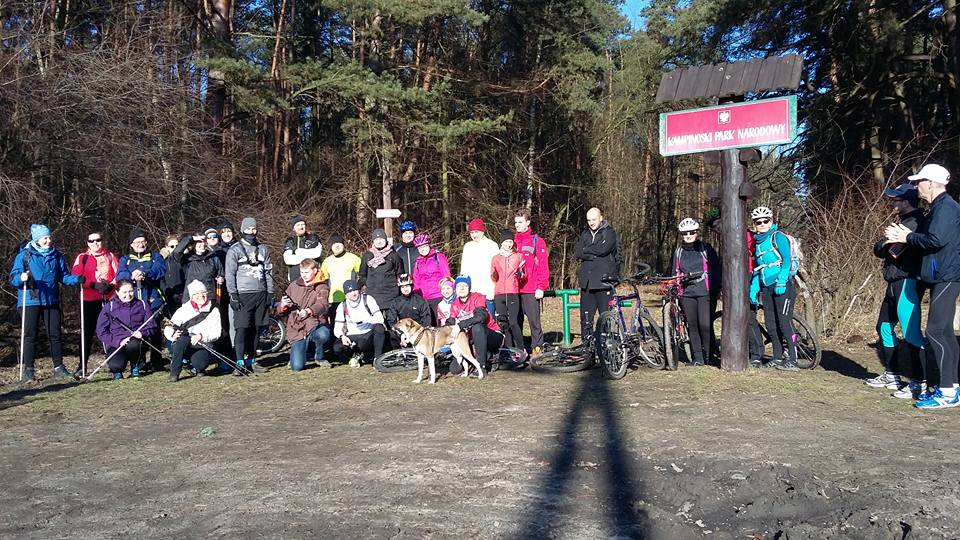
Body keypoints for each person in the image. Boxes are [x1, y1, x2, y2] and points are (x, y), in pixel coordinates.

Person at [885, 164, 960, 409]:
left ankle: (947, 392)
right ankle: (951, 387)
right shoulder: (938, 207)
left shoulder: (946, 207)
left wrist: (905, 237)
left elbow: (936, 240)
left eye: (919, 182)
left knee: (936, 331)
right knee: (944, 332)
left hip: (947, 276)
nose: (916, 186)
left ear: (931, 183)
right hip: (942, 276)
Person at [867, 184, 926, 396]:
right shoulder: (903, 223)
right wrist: (884, 244)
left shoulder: (916, 222)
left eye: (896, 200)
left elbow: (892, 251)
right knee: (883, 327)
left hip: (907, 282)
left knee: (911, 333)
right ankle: (892, 375)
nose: (892, 203)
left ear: (906, 202)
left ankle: (919, 382)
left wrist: (885, 244)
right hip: (893, 283)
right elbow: (879, 248)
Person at [9, 224, 84, 381]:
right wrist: (21, 277)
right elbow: (13, 278)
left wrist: (76, 279)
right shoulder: (24, 256)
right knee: (30, 335)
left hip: (51, 299)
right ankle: (28, 371)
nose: (48, 241)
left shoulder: (56, 255)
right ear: (37, 239)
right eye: (45, 238)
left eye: (49, 237)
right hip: (30, 300)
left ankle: (59, 368)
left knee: (55, 334)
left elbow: (63, 276)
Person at [749, 206, 799, 371]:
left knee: (784, 322)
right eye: (759, 222)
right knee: (771, 324)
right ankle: (777, 357)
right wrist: (754, 289)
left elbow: (786, 260)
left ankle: (793, 358)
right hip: (767, 288)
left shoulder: (778, 237)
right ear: (754, 224)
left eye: (766, 221)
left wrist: (782, 280)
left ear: (771, 221)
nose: (762, 224)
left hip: (782, 286)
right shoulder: (757, 243)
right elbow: (759, 267)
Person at [225, 216, 274, 374]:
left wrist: (270, 292)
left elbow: (269, 273)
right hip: (243, 295)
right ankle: (239, 363)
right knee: (242, 328)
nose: (251, 232)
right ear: (242, 230)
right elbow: (230, 275)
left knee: (256, 329)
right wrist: (233, 295)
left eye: (253, 229)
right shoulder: (235, 250)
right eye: (248, 229)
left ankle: (252, 360)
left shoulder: (263, 249)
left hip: (261, 294)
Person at [671, 218, 721, 367]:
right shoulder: (679, 252)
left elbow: (716, 269)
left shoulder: (706, 248)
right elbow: (675, 272)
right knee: (692, 325)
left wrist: (716, 289)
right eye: (685, 233)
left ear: (697, 233)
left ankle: (709, 355)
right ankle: (698, 357)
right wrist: (675, 288)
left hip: (705, 291)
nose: (688, 235)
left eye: (691, 232)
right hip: (687, 292)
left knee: (705, 325)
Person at [116, 227, 167, 371]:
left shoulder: (155, 256)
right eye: (137, 242)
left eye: (143, 241)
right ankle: (139, 362)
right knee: (137, 329)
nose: (140, 244)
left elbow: (160, 270)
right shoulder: (125, 259)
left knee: (154, 328)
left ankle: (157, 361)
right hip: (133, 298)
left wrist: (145, 273)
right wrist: (131, 276)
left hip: (152, 298)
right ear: (131, 244)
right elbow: (120, 275)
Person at [71, 231, 119, 373]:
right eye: (91, 241)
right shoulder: (82, 257)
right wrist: (93, 285)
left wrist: (110, 286)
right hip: (88, 300)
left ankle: (114, 363)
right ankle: (82, 366)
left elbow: (118, 275)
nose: (95, 243)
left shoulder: (110, 256)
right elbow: (76, 277)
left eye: (98, 240)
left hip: (107, 299)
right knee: (87, 333)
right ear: (87, 243)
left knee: (110, 330)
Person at [574, 207, 621, 342]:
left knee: (605, 318)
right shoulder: (585, 234)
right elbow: (578, 252)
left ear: (601, 218)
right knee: (586, 319)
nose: (591, 223)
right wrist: (591, 253)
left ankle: (605, 345)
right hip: (587, 283)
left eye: (594, 219)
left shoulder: (609, 232)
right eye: (589, 220)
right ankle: (586, 345)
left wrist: (587, 250)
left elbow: (604, 249)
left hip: (604, 282)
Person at [95, 279, 157, 380]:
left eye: (131, 291)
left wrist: (143, 333)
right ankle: (117, 371)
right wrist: (118, 341)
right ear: (117, 292)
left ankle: (135, 366)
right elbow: (101, 331)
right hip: (116, 343)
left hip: (135, 341)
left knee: (134, 344)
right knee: (116, 365)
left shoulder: (142, 304)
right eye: (124, 292)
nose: (128, 295)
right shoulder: (109, 307)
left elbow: (152, 325)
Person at [164, 280, 222, 382]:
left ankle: (195, 365)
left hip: (201, 344)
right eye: (197, 293)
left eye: (203, 292)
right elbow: (169, 327)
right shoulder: (184, 309)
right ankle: (174, 372)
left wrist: (201, 336)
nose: (201, 295)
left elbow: (217, 332)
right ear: (191, 296)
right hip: (184, 343)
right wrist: (173, 335)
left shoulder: (214, 310)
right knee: (182, 340)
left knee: (200, 364)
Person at [280, 259, 332, 370]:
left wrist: (308, 311)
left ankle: (319, 357)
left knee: (323, 333)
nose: (304, 275)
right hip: (296, 328)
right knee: (297, 367)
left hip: (314, 325)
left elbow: (322, 305)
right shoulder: (293, 285)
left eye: (306, 272)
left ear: (315, 271)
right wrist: (283, 305)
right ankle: (302, 353)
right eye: (302, 272)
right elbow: (280, 312)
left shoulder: (322, 287)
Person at [446, 275, 502, 373]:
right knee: (455, 369)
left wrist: (460, 324)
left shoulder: (478, 297)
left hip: (492, 334)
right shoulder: (454, 304)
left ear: (469, 287)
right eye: (459, 286)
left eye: (465, 286)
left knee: (477, 327)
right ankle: (487, 356)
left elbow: (481, 317)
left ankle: (481, 366)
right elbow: (450, 322)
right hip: (472, 340)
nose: (462, 288)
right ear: (455, 289)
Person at [514, 210, 550, 355]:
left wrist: (541, 286)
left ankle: (537, 346)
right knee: (516, 321)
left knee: (534, 321)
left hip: (530, 288)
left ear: (528, 223)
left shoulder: (537, 241)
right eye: (516, 222)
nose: (517, 225)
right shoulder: (511, 242)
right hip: (514, 289)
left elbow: (543, 266)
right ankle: (519, 348)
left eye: (520, 222)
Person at [333, 279, 386, 367]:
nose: (353, 294)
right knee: (337, 347)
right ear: (345, 294)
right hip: (352, 335)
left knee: (380, 328)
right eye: (349, 292)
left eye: (355, 290)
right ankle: (355, 357)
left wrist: (364, 319)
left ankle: (377, 359)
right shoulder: (342, 306)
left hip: (368, 334)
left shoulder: (368, 299)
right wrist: (342, 336)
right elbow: (337, 328)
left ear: (359, 290)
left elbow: (380, 319)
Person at [491, 229, 524, 348]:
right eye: (506, 241)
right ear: (501, 243)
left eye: (510, 241)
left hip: (512, 292)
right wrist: (494, 275)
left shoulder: (518, 256)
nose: (508, 244)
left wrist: (521, 274)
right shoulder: (495, 258)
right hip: (499, 294)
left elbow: (524, 274)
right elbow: (492, 276)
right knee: (504, 323)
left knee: (514, 322)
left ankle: (521, 348)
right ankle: (509, 349)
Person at [460, 218, 499, 317]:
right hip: (472, 290)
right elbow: (464, 270)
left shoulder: (492, 245)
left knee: (490, 319)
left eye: (476, 232)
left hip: (487, 290)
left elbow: (496, 270)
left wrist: (493, 290)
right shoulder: (468, 246)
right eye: (472, 232)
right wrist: (463, 288)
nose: (474, 235)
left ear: (482, 231)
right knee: (473, 319)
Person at [359, 228, 404, 310]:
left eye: (381, 239)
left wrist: (396, 287)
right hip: (373, 294)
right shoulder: (367, 256)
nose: (379, 242)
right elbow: (362, 275)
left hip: (391, 294)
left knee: (391, 317)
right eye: (376, 239)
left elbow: (399, 273)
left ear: (386, 240)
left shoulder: (393, 255)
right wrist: (370, 284)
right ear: (373, 241)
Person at [384, 274, 433, 348]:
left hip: (418, 331)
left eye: (407, 286)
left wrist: (414, 335)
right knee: (390, 333)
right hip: (403, 331)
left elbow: (426, 321)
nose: (405, 289)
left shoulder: (421, 301)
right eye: (402, 287)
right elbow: (391, 321)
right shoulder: (396, 302)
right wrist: (401, 334)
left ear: (412, 286)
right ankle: (398, 352)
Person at [320, 233, 362, 320]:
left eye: (339, 243)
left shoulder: (354, 258)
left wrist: (358, 287)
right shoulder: (327, 261)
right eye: (334, 243)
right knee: (335, 325)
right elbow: (323, 282)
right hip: (333, 299)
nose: (337, 246)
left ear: (343, 244)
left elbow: (363, 275)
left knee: (353, 323)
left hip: (351, 298)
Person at [412, 233, 452, 319]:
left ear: (429, 245)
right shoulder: (418, 262)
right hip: (424, 298)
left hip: (438, 295)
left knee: (440, 322)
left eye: (425, 246)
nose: (423, 249)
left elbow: (446, 276)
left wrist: (447, 292)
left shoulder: (438, 257)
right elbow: (416, 281)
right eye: (420, 248)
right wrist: (416, 297)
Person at [282, 215, 323, 283]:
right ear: (293, 228)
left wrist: (299, 252)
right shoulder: (290, 241)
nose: (301, 227)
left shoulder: (314, 238)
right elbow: (288, 260)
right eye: (298, 225)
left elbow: (317, 253)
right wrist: (309, 258)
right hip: (295, 278)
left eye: (302, 224)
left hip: (314, 278)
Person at [160, 234, 185, 318]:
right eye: (172, 246)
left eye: (177, 246)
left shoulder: (185, 259)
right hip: (170, 298)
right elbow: (161, 281)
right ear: (166, 247)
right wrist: (171, 294)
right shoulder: (163, 261)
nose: (175, 248)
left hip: (185, 296)